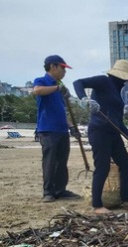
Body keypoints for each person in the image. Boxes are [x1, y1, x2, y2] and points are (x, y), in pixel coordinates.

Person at [73, 59, 128, 214]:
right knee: (102, 166)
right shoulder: (104, 81)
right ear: (124, 76)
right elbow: (78, 83)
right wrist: (85, 100)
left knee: (126, 164)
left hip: (113, 133)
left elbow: (118, 121)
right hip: (99, 131)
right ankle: (97, 205)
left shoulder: (119, 92)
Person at [32, 55, 81, 203]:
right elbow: (37, 91)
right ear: (53, 67)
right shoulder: (42, 81)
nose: (64, 72)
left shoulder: (59, 86)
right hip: (48, 129)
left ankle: (60, 190)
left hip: (61, 130)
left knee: (61, 161)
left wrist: (72, 127)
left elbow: (61, 111)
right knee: (50, 161)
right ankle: (48, 192)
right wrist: (56, 88)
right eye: (62, 68)